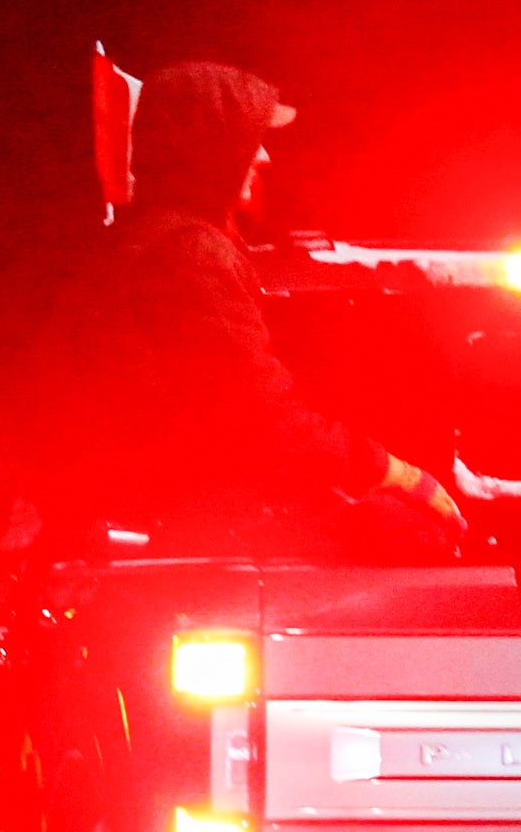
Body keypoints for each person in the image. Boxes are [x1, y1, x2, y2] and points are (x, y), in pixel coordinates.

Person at [93, 60, 464, 555]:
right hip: (194, 524)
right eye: (250, 139)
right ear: (208, 148)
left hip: (162, 509)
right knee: (419, 534)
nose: (264, 157)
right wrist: (396, 473)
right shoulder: (190, 253)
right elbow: (257, 417)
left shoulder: (150, 242)